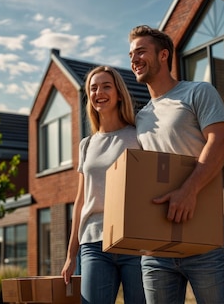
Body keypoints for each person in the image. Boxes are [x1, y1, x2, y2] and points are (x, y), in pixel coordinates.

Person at [128, 25, 224, 304]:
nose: (134, 59)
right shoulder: (141, 117)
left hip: (203, 236)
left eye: (141, 52)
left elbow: (220, 142)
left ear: (164, 55)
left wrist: (189, 190)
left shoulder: (198, 92)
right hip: (154, 248)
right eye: (130, 54)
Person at [61, 65, 145, 304]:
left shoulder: (138, 135)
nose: (99, 92)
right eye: (93, 88)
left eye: (106, 86)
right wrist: (70, 255)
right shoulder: (86, 145)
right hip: (93, 242)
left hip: (134, 240)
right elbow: (81, 200)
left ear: (119, 92)